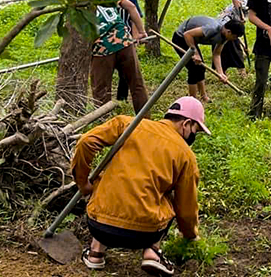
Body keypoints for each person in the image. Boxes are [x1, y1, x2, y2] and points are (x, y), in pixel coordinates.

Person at [73, 96, 209, 276]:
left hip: (99, 226)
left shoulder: (127, 124)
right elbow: (186, 207)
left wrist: (83, 183)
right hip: (144, 234)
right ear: (186, 124)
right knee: (168, 195)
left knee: (106, 182)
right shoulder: (186, 156)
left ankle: (95, 254)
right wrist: (191, 234)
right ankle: (152, 253)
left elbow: (86, 142)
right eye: (196, 130)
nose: (194, 136)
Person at [91, 0, 148, 114]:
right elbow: (131, 7)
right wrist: (141, 32)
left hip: (101, 49)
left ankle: (103, 127)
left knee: (101, 91)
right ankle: (146, 121)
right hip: (124, 41)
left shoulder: (73, 0)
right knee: (137, 84)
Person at [172, 16, 245, 102]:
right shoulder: (213, 29)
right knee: (194, 69)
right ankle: (192, 100)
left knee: (200, 68)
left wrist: (220, 73)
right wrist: (195, 53)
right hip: (181, 38)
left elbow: (217, 54)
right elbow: (187, 34)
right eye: (235, 37)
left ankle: (204, 96)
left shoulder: (225, 36)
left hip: (192, 40)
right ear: (229, 32)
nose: (235, 40)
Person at [101, 0, 144, 103]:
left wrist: (137, 35)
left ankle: (121, 98)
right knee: (110, 74)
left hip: (124, 38)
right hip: (111, 41)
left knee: (127, 74)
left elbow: (133, 14)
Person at [218, 0, 249, 77]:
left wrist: (244, 46)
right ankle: (224, 73)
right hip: (224, 25)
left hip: (232, 28)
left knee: (236, 47)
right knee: (229, 50)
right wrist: (240, 14)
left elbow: (237, 34)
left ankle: (241, 73)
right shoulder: (248, 3)